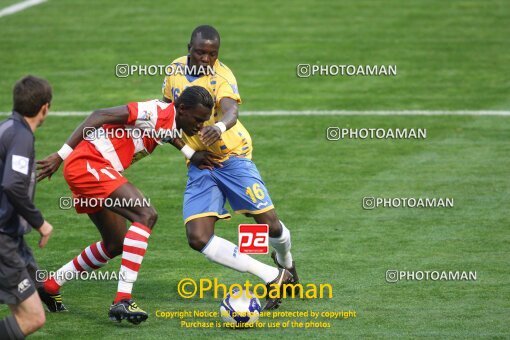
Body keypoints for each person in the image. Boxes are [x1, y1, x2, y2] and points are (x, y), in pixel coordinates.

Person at [36, 86, 214, 324]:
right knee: (146, 214)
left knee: (115, 243)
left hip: (93, 168)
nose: (201, 126)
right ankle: (122, 299)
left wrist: (191, 154)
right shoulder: (153, 111)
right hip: (89, 164)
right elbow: (98, 115)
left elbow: (168, 133)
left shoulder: (171, 119)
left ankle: (49, 286)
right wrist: (61, 155)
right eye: (198, 119)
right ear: (181, 108)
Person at [162, 25, 299, 310]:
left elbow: (230, 110)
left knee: (269, 224)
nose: (205, 58)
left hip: (233, 157)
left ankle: (286, 263)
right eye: (200, 52)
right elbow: (165, 117)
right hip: (201, 162)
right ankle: (273, 275)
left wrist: (220, 126)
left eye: (212, 54)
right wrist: (190, 152)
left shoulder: (221, 76)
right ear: (189, 47)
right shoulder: (173, 70)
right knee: (197, 237)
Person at [0, 75, 54, 339]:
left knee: (33, 286)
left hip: (11, 239)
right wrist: (40, 223)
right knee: (33, 317)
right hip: (3, 239)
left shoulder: (7, 128)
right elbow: (13, 184)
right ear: (44, 107)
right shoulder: (21, 136)